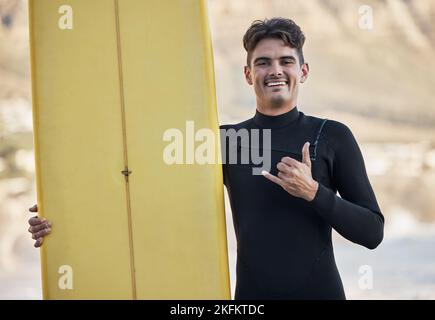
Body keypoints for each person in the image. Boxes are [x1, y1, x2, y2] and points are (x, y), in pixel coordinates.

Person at [28, 17, 384, 299]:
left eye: (286, 61)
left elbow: (372, 231)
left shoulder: (332, 136)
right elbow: (138, 187)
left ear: (302, 71)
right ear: (248, 74)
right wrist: (62, 214)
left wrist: (314, 193)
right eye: (263, 62)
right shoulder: (225, 141)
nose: (275, 70)